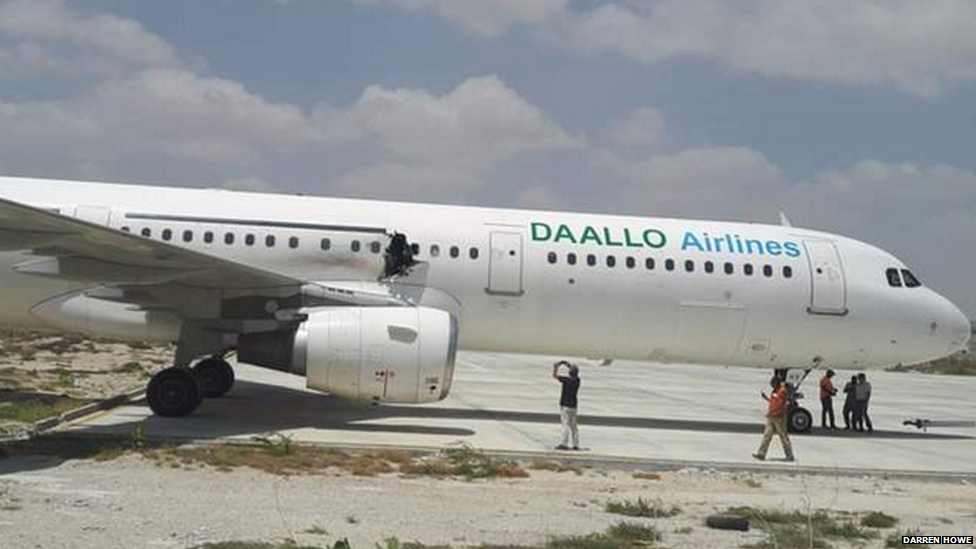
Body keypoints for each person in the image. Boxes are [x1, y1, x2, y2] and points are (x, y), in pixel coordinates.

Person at [753, 375, 795, 462]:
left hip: (779, 418)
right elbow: (774, 401)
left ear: (777, 383)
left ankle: (790, 456)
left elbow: (781, 404)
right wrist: (766, 398)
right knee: (766, 436)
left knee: (783, 437)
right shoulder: (775, 390)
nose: (771, 384)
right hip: (771, 417)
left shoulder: (782, 391)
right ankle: (761, 454)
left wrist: (777, 413)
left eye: (772, 383)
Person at [552, 361, 580, 450]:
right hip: (573, 406)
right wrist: (566, 364)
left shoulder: (566, 380)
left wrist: (556, 367)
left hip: (565, 405)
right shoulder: (577, 380)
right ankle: (576, 444)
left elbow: (555, 376)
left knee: (565, 425)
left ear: (569, 372)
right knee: (574, 426)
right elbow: (574, 371)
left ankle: (564, 443)